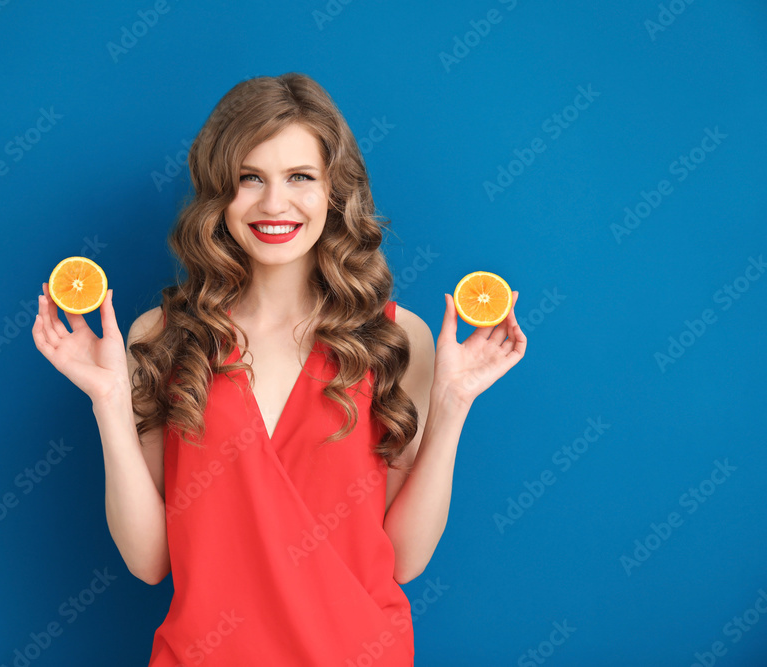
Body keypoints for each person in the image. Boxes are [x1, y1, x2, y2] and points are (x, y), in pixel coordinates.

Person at [32, 72, 526, 666]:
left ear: (334, 191)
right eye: (249, 179)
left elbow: (403, 560)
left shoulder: (396, 337)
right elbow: (149, 560)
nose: (273, 203)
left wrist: (452, 406)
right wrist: (109, 401)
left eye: (300, 177)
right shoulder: (161, 338)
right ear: (219, 194)